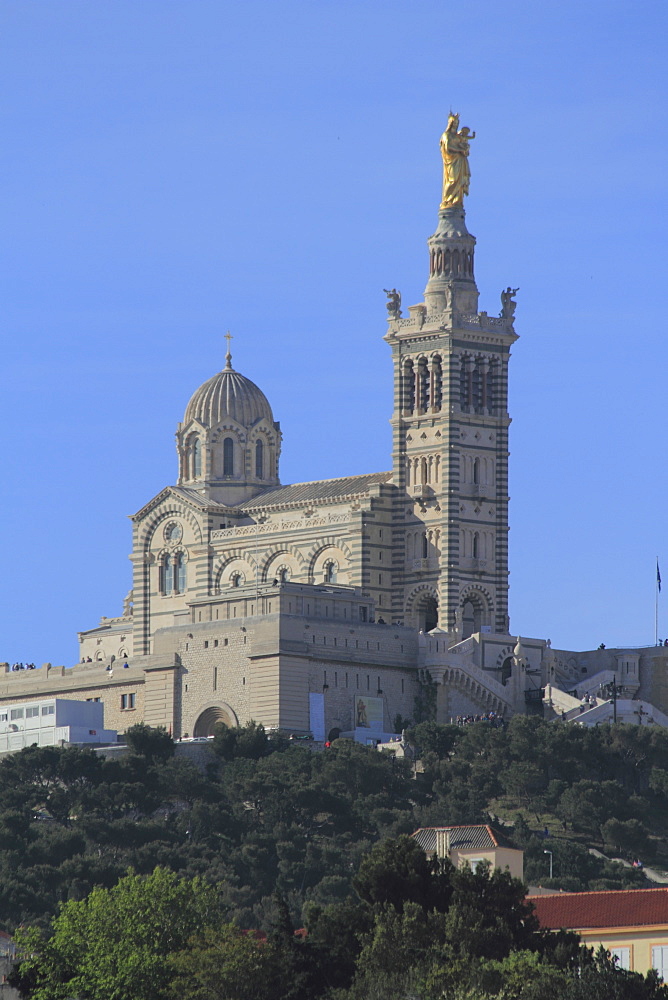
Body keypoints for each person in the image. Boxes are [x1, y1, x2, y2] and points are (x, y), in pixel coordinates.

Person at [440, 113, 475, 208]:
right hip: (451, 160)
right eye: (454, 123)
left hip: (460, 160)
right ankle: (447, 200)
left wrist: (465, 148)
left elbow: (464, 143)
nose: (455, 125)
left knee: (459, 182)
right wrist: (460, 149)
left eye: (457, 123)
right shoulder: (446, 135)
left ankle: (457, 201)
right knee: (453, 180)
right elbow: (448, 148)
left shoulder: (458, 136)